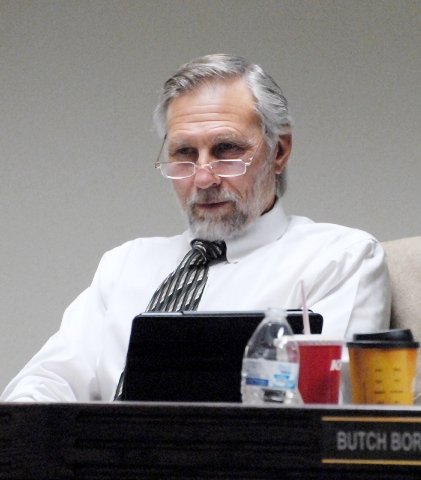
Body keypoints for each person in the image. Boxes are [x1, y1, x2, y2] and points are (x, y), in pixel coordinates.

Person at [1, 54, 391, 402]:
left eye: (227, 150)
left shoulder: (338, 259)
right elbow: (49, 378)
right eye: (185, 153)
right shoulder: (124, 265)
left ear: (279, 151)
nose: (203, 178)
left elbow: (323, 415)